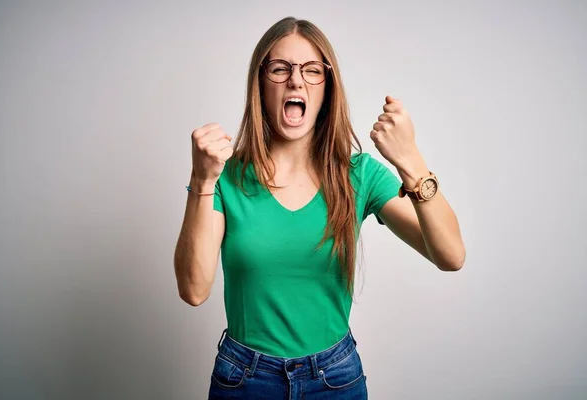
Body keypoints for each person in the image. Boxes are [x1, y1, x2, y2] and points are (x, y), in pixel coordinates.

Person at [174, 16, 465, 400]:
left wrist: (411, 162)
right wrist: (203, 181)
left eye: (312, 70)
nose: (296, 80)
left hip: (334, 380)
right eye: (280, 68)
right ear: (260, 85)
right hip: (244, 379)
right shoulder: (224, 176)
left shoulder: (359, 175)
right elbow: (193, 290)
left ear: (327, 89)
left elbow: (451, 256)